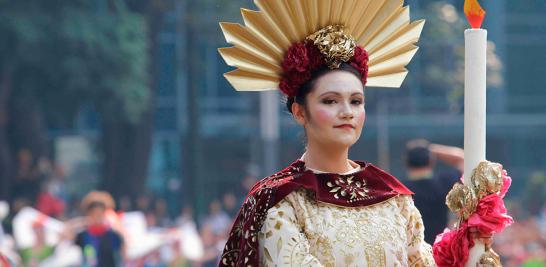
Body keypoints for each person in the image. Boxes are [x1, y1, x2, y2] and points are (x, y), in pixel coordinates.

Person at [217, 1, 434, 266]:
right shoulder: (282, 201)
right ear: (299, 112)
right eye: (330, 101)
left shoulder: (393, 197)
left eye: (356, 101)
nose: (347, 112)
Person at [403, 139, 463, 245]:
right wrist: (430, 149)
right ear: (431, 161)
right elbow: (463, 159)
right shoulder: (444, 182)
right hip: (439, 248)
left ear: (407, 162)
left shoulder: (401, 189)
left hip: (411, 252)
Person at [74, 191, 124, 267]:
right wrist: (83, 222)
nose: (97, 217)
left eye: (100, 214)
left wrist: (115, 223)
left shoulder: (112, 235)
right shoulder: (82, 235)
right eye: (94, 214)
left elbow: (124, 252)